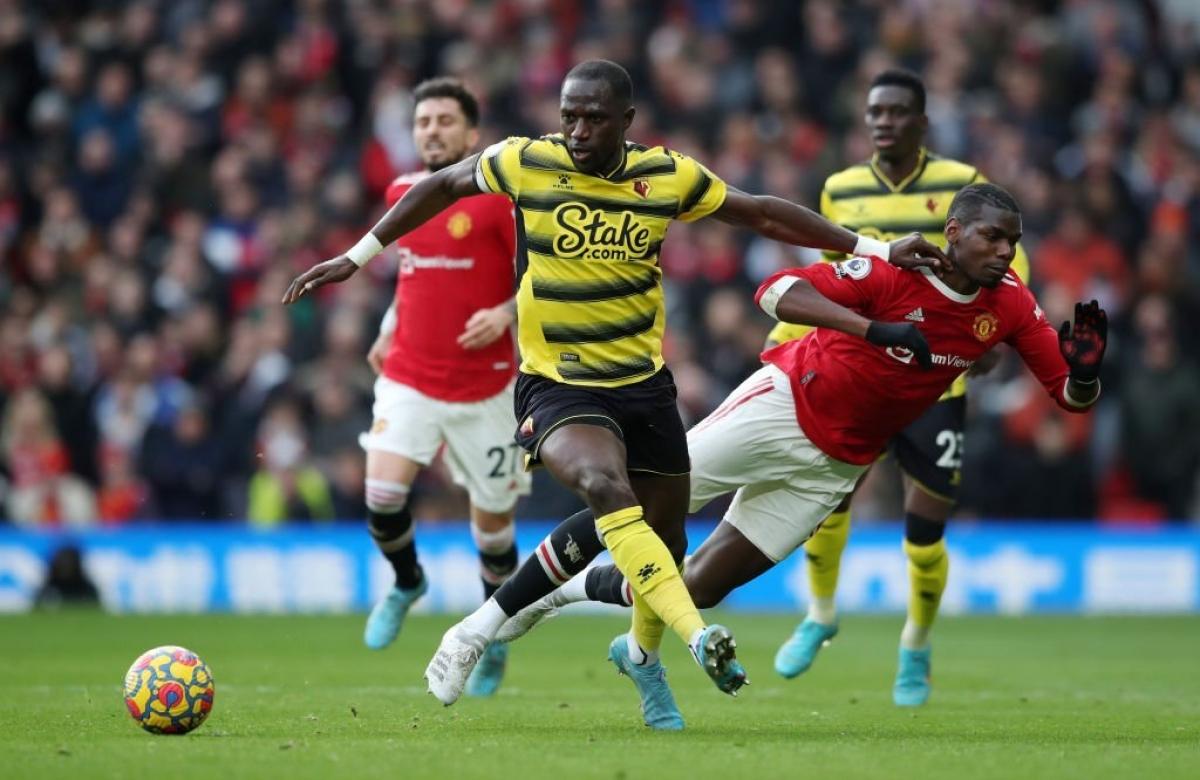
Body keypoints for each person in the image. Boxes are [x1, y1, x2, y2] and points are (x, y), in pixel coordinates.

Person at [283, 60, 945, 729]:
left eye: (593, 117)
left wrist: (878, 250)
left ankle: (512, 635)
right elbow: (446, 184)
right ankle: (691, 641)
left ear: (626, 121)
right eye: (568, 114)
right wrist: (359, 255)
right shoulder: (526, 162)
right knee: (604, 486)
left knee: (665, 545)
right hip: (556, 383)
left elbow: (762, 214)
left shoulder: (666, 175)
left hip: (643, 386)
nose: (575, 129)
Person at [495, 184, 1107, 719]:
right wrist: (870, 327)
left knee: (702, 587)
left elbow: (1070, 396)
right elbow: (773, 290)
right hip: (780, 406)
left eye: (1013, 241)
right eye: (993, 238)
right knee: (640, 504)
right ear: (954, 233)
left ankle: (571, 594)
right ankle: (520, 602)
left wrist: (1084, 373)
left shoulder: (1010, 304)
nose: (1005, 252)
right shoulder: (894, 271)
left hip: (836, 464)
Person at [763, 69, 1033, 706]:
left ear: (921, 121)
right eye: (873, 112)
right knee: (829, 503)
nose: (882, 121)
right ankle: (821, 614)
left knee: (925, 526)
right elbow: (838, 276)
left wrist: (991, 339)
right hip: (863, 377)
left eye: (895, 111)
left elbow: (1007, 269)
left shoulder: (962, 184)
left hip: (937, 381)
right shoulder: (841, 188)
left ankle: (916, 643)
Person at [355, 78, 529, 698]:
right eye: (423, 121)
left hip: (486, 391)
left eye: (444, 120)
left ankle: (488, 640)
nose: (431, 130)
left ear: (471, 133)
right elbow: (410, 274)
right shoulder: (401, 193)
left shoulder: (500, 200)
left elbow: (539, 275)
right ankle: (407, 583)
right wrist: (388, 324)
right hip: (409, 376)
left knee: (493, 533)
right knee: (380, 495)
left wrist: (508, 312)